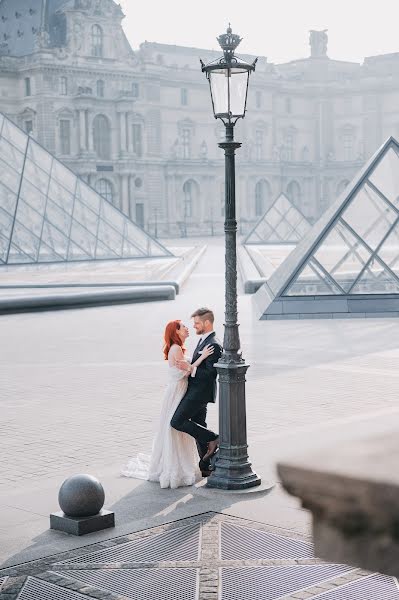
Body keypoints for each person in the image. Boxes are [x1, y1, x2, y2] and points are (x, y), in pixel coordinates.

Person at [121, 319, 214, 489]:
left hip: (178, 390)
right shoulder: (176, 348)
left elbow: (186, 368)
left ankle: (189, 460)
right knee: (175, 425)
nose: (187, 328)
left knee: (176, 426)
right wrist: (203, 357)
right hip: (177, 391)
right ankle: (180, 464)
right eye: (183, 327)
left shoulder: (177, 348)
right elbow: (186, 371)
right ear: (176, 332)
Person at [171, 307, 222, 476]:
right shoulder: (203, 341)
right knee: (199, 424)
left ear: (207, 323)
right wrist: (191, 367)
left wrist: (190, 369)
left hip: (200, 392)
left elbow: (211, 374)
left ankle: (214, 437)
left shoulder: (214, 344)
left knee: (177, 421)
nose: (194, 326)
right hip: (195, 390)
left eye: (197, 323)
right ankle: (206, 465)